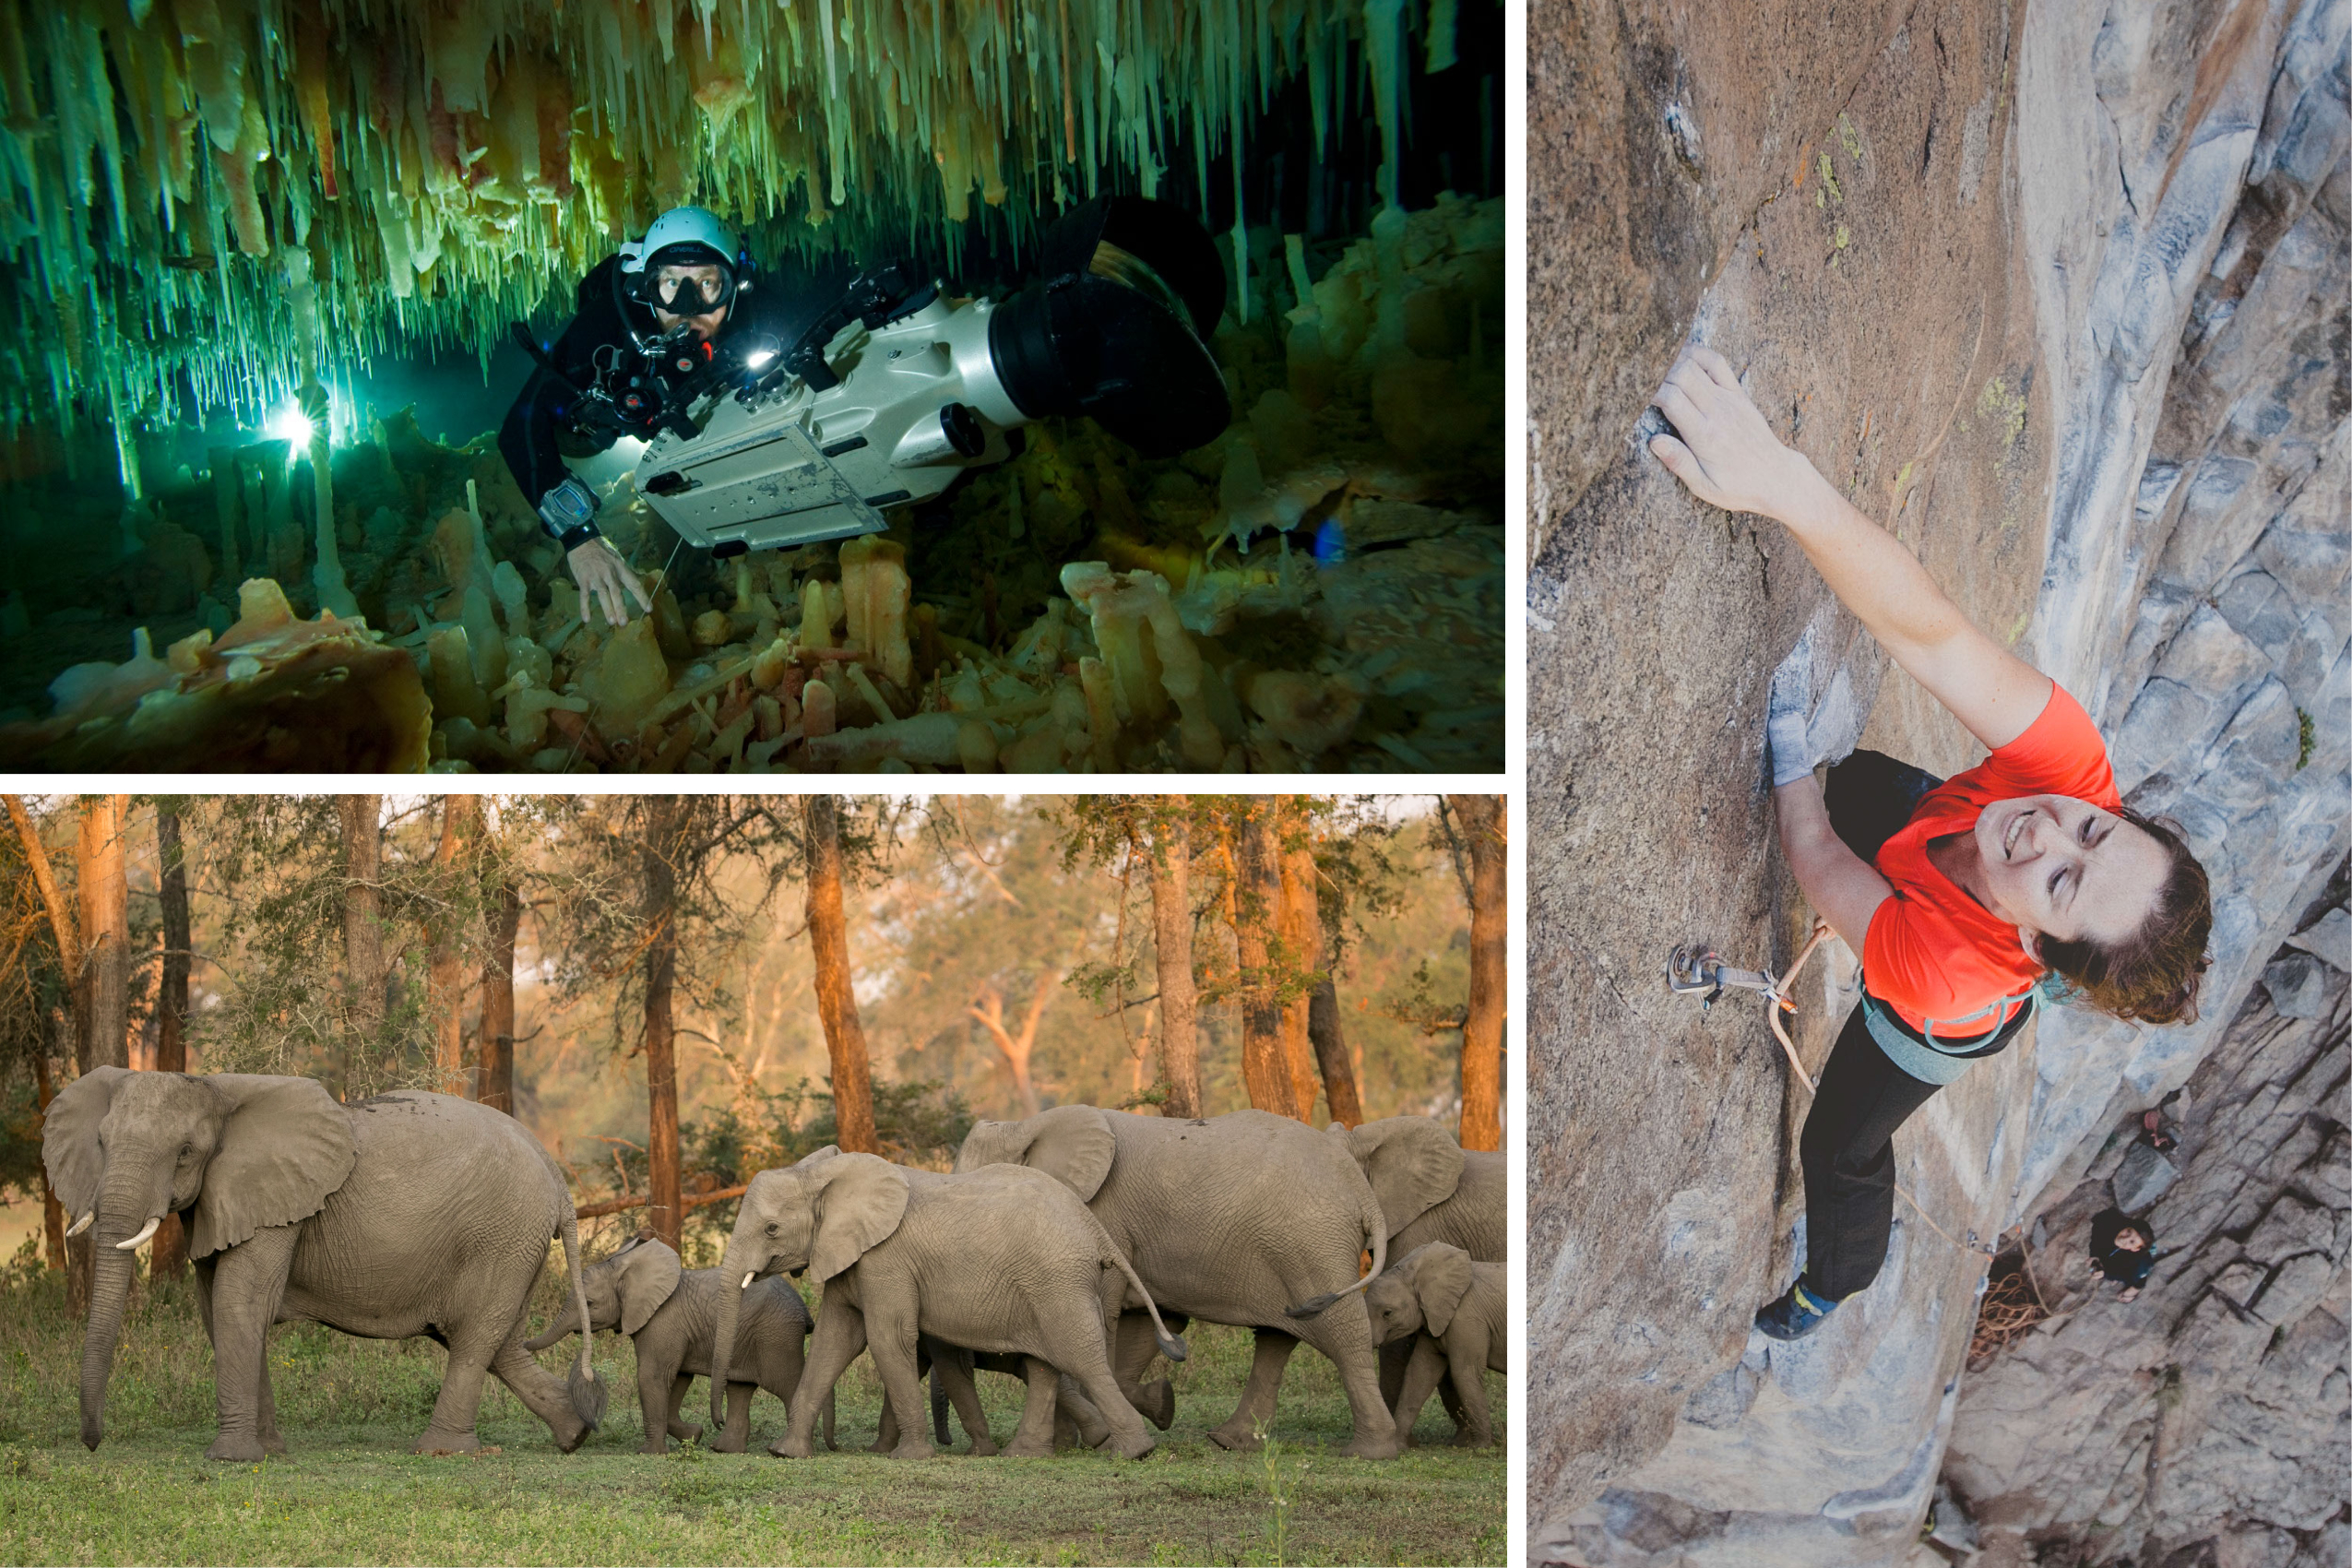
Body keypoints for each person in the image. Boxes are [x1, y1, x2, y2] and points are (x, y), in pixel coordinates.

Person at [1645, 344, 2215, 1341]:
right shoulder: (2067, 769)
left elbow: (1821, 863)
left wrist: (1784, 763)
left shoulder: (1947, 977)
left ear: (2041, 947)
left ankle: (1835, 1281)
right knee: (1867, 783)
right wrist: (1782, 481)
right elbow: (1933, 635)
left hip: (1930, 1021)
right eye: (2094, 826)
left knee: (1841, 1142)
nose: (2047, 829)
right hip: (1931, 843)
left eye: (2066, 879)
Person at [498, 206, 852, 629]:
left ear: (733, 286)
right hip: (602, 425)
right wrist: (580, 537)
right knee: (576, 436)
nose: (688, 308)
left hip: (705, 414)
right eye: (671, 283)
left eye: (707, 284)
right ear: (648, 286)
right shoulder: (606, 325)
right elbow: (520, 425)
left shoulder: (756, 317)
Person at [2087, 1207, 2157, 1301]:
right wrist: (2094, 1255)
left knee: (2137, 1276)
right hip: (2116, 1255)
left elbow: (2126, 1275)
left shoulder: (2137, 1261)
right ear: (2127, 1226)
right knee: (2108, 1261)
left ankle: (2137, 1287)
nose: (2124, 1239)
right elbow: (2096, 1236)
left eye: (2132, 1242)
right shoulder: (2110, 1222)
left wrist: (2106, 1274)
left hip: (2136, 1268)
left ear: (2135, 1248)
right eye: (2128, 1232)